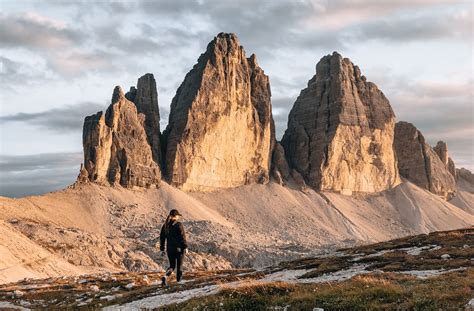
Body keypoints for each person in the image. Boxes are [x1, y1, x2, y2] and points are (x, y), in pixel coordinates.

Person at [159, 209, 188, 286]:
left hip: (169, 249)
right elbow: (183, 237)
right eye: (178, 216)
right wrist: (185, 247)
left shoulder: (165, 225)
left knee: (172, 266)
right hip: (179, 249)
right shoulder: (179, 225)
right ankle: (179, 283)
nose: (179, 217)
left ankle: (165, 276)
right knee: (179, 267)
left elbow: (162, 238)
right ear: (176, 216)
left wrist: (162, 249)